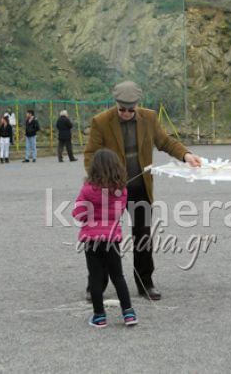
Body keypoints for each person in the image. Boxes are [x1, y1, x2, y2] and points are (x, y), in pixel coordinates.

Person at [83, 80, 202, 301]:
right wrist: (100, 182)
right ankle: (96, 284)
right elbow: (91, 155)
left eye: (131, 109)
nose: (127, 113)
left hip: (140, 189)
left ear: (138, 105)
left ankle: (145, 282)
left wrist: (186, 156)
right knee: (103, 237)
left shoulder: (149, 118)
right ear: (116, 104)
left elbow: (165, 142)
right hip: (111, 192)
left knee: (143, 237)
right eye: (122, 109)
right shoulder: (101, 122)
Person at [72, 148, 138, 328]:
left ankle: (99, 316)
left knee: (95, 277)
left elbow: (78, 214)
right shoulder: (122, 190)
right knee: (118, 276)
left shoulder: (87, 190)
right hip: (111, 238)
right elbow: (119, 212)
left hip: (91, 239)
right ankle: (129, 313)